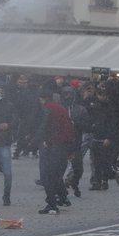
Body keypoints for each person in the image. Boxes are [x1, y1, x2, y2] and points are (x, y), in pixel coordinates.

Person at [34, 86, 77, 215]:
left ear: (42, 99)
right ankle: (63, 198)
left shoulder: (47, 109)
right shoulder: (62, 109)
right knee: (57, 175)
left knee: (48, 176)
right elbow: (69, 127)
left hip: (53, 145)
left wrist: (34, 141)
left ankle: (51, 204)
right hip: (65, 145)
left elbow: (44, 127)